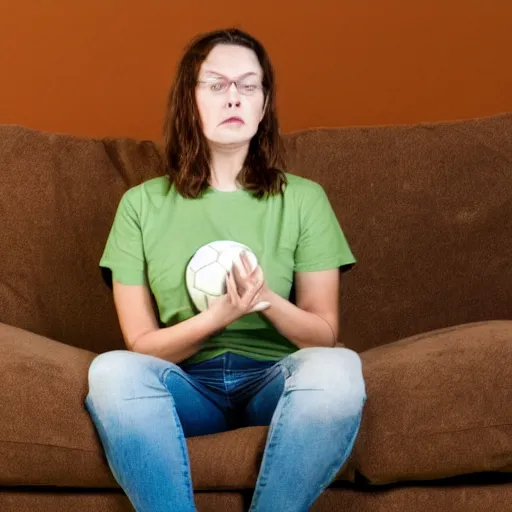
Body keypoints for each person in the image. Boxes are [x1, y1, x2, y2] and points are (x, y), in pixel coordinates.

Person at [85, 28, 367, 512]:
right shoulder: (141, 205)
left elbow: (323, 335)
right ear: (188, 102)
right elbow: (142, 346)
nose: (233, 96)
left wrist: (265, 301)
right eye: (216, 84)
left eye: (248, 85)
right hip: (186, 384)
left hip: (275, 381)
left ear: (263, 104)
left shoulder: (303, 199)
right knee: (112, 371)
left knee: (341, 368)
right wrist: (217, 317)